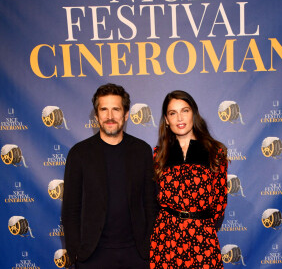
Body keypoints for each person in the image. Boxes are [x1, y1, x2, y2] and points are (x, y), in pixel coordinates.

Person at [62, 83, 157, 269]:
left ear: (126, 114)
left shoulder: (142, 150)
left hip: (137, 255)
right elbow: (71, 208)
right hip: (92, 256)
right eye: (104, 109)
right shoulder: (79, 153)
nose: (110, 116)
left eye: (116, 109)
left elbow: (151, 203)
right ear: (96, 115)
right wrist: (76, 252)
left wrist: (149, 246)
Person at [150, 90, 228, 269]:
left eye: (184, 110)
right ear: (167, 120)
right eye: (173, 113)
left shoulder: (215, 152)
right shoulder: (158, 155)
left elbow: (220, 201)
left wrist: (201, 227)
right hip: (166, 240)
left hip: (203, 237)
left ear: (194, 113)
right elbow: (153, 201)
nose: (179, 118)